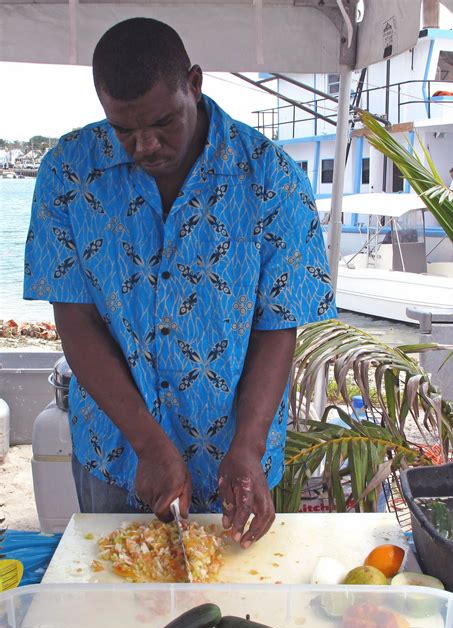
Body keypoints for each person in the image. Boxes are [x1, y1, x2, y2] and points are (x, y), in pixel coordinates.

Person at [24, 17, 336, 548]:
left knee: (234, 609)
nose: (144, 144)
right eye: (124, 129)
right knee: (119, 610)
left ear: (194, 82)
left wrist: (249, 447)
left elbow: (277, 325)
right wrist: (147, 445)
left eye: (163, 121)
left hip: (234, 457)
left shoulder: (272, 177)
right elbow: (75, 320)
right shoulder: (68, 173)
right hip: (115, 453)